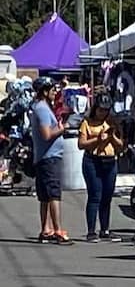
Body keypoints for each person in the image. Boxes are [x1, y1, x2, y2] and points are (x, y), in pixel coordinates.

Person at [78, 90, 126, 242]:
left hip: (110, 161)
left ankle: (105, 229)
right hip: (92, 161)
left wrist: (111, 137)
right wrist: (98, 139)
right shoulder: (87, 123)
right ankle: (91, 231)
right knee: (95, 196)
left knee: (107, 196)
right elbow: (81, 144)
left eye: (106, 110)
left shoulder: (112, 122)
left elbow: (120, 145)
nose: (102, 113)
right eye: (100, 110)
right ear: (95, 108)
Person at [29, 77, 73, 244]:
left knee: (45, 196)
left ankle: (46, 230)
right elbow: (47, 134)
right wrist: (61, 129)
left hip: (45, 157)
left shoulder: (42, 107)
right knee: (53, 194)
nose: (55, 92)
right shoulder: (41, 108)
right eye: (52, 89)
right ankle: (57, 230)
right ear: (45, 91)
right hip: (48, 158)